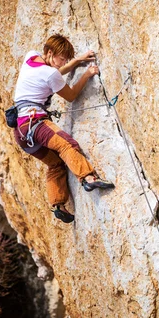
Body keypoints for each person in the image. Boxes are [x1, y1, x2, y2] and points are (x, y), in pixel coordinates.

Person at [13, 34, 115, 223]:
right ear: (50, 53)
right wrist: (87, 73)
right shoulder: (50, 73)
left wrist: (75, 61)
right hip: (36, 124)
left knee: (55, 164)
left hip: (21, 132)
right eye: (62, 58)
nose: (63, 63)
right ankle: (88, 178)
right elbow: (70, 95)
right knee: (67, 144)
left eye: (66, 59)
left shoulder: (30, 56)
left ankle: (58, 204)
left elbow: (53, 72)